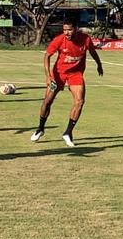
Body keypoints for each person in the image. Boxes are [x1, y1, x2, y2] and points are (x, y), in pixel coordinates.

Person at [31, 19, 104, 147]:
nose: (67, 32)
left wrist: (99, 64)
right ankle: (40, 128)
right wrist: (48, 76)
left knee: (80, 101)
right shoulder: (59, 40)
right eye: (64, 30)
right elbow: (47, 56)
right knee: (47, 101)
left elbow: (92, 52)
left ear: (76, 28)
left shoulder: (85, 39)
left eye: (69, 29)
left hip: (75, 74)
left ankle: (68, 133)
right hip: (58, 74)